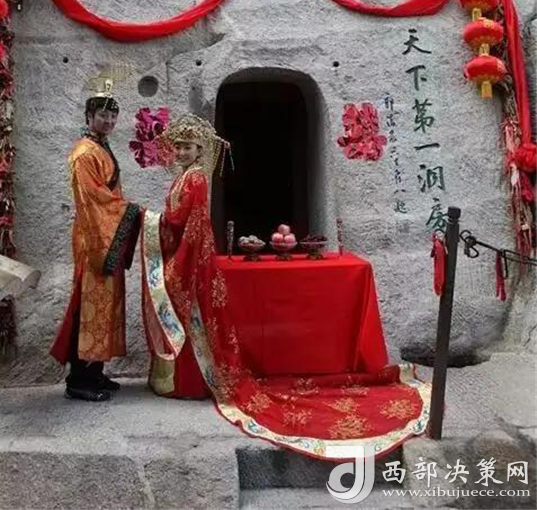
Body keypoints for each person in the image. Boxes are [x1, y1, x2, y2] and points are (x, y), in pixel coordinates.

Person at [140, 113, 431, 461]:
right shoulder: (183, 177)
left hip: (192, 257)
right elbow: (177, 221)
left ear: (200, 150)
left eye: (188, 147)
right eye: (178, 147)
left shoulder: (197, 179)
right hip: (187, 255)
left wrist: (149, 223)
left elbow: (190, 224)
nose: (182, 152)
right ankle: (185, 381)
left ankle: (191, 383)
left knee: (195, 319)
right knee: (191, 320)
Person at [50, 81, 142, 401]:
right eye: (103, 115)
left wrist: (123, 214)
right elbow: (94, 199)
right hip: (95, 238)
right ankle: (79, 379)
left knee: (105, 305)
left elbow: (108, 195)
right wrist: (131, 212)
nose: (109, 121)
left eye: (113, 116)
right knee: (89, 306)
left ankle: (96, 373)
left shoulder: (100, 147)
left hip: (107, 233)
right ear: (89, 116)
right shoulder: (84, 153)